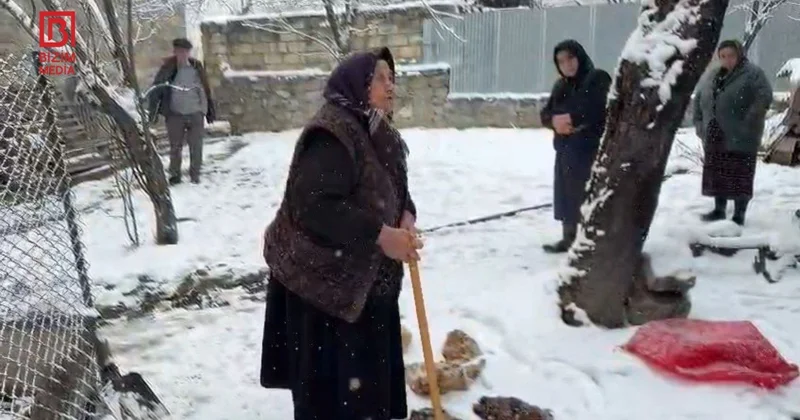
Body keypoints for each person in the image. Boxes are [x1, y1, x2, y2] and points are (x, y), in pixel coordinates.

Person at [259, 47, 422, 420]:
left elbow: (390, 186)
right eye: (380, 77)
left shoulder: (377, 130)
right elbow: (314, 206)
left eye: (392, 78)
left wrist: (406, 214)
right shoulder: (332, 134)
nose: (390, 85)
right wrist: (381, 234)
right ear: (357, 83)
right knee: (333, 402)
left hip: (361, 286)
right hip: (323, 289)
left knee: (365, 398)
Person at [539, 39, 612, 253]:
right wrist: (553, 122)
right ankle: (569, 237)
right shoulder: (561, 86)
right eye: (561, 61)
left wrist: (570, 119)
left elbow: (596, 108)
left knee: (588, 195)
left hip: (590, 149)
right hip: (565, 149)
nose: (567, 65)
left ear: (580, 57)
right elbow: (546, 113)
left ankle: (590, 241)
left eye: (570, 58)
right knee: (566, 195)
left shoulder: (597, 78)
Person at [693, 40, 773, 226]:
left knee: (740, 174)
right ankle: (719, 210)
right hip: (715, 132)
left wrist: (749, 120)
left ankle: (739, 215)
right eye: (722, 56)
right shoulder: (712, 75)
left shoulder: (752, 74)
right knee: (718, 173)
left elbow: (764, 96)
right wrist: (699, 123)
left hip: (742, 135)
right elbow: (699, 98)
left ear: (739, 55)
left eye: (731, 55)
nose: (727, 60)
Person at [148, 37, 216, 185]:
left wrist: (205, 110)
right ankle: (175, 175)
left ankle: (195, 175)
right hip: (175, 114)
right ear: (175, 52)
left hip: (195, 113)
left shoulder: (196, 67)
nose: (182, 54)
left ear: (189, 52)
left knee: (196, 146)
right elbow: (156, 89)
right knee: (175, 147)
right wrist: (152, 112)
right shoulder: (168, 68)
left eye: (185, 51)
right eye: (179, 51)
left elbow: (205, 89)